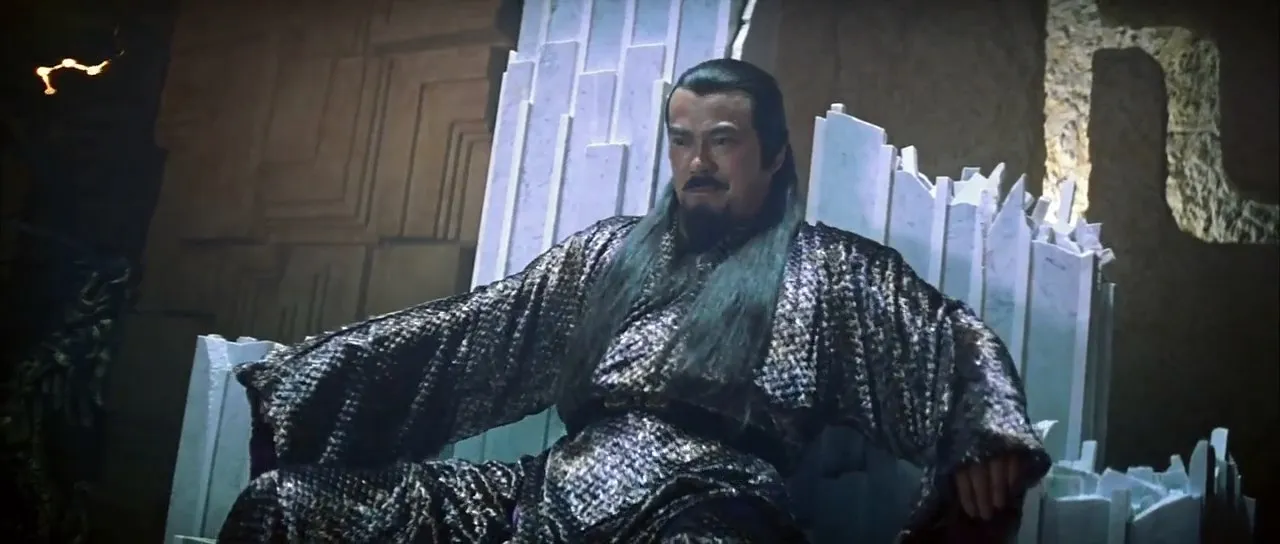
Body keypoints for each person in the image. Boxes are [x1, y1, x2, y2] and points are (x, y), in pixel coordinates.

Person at [220, 58, 1049, 543]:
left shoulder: (829, 271)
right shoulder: (608, 254)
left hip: (714, 508)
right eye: (682, 143)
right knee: (287, 511)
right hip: (548, 497)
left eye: (722, 142)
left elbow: (943, 337)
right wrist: (309, 377)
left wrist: (984, 436)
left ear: (773, 157)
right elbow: (470, 335)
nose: (698, 163)